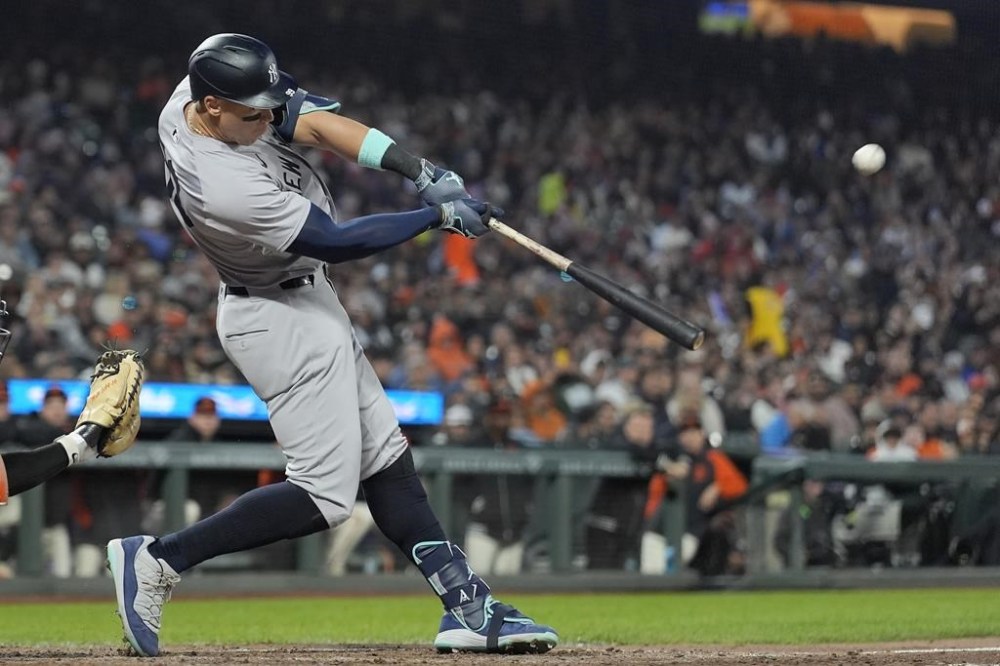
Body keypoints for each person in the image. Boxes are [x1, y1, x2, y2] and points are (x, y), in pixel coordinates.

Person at [107, 33, 556, 657]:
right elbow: (335, 241)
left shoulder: (200, 93)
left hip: (306, 301)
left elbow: (315, 123)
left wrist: (420, 173)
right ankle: (159, 558)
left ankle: (467, 607)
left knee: (389, 464)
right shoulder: (223, 183)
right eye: (251, 113)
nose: (268, 119)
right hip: (276, 316)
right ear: (211, 109)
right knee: (324, 497)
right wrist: (438, 217)